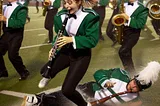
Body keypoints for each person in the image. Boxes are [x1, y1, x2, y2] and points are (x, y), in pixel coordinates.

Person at [38, 0, 100, 106]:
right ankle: (48, 76)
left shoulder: (90, 16)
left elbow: (92, 40)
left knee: (67, 90)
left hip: (81, 55)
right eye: (65, 3)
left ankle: (84, 105)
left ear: (79, 2)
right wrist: (54, 47)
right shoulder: (60, 16)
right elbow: (59, 35)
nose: (66, 6)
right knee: (44, 71)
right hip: (66, 51)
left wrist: (72, 40)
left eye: (70, 3)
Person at [21, 61, 160, 106]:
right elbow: (99, 73)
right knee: (68, 95)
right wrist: (105, 81)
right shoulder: (120, 74)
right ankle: (39, 100)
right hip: (91, 91)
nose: (134, 88)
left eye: (138, 89)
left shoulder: (135, 99)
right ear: (133, 78)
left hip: (98, 104)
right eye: (135, 84)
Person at [111, 0, 149, 72]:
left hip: (133, 33)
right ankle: (130, 71)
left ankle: (130, 71)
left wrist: (128, 18)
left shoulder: (142, 8)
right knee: (127, 53)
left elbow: (140, 24)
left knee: (123, 51)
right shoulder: (122, 4)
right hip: (123, 31)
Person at [0, 0, 29, 80]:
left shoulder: (21, 8)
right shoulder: (4, 6)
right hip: (6, 33)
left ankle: (23, 72)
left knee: (12, 55)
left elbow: (20, 23)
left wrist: (6, 19)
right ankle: (2, 71)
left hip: (16, 35)